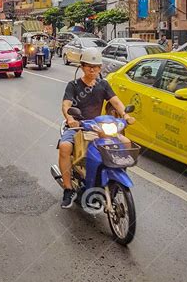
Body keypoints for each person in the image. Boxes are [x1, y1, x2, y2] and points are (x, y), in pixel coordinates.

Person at [57, 48, 134, 209]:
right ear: (82, 66)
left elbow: (116, 102)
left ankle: (115, 178)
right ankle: (68, 189)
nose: (92, 69)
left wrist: (125, 116)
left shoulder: (103, 84)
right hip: (78, 127)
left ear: (100, 68)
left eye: (96, 66)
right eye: (88, 66)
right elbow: (66, 105)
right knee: (65, 147)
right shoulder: (73, 85)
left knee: (126, 143)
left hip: (99, 127)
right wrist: (70, 119)